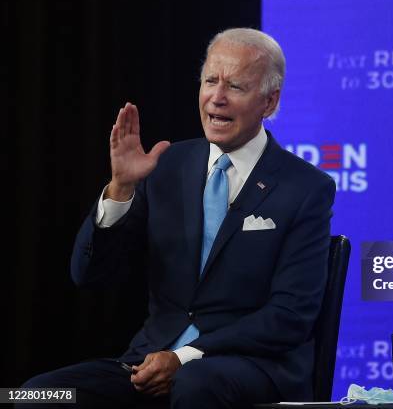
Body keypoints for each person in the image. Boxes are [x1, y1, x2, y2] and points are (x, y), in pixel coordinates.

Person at [21, 28, 336, 409]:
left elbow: (290, 316)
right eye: (210, 81)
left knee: (194, 385)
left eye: (235, 86)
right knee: (37, 395)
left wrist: (185, 356)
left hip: (249, 367)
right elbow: (88, 275)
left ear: (269, 102)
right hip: (149, 360)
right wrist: (120, 188)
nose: (216, 98)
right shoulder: (167, 166)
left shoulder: (305, 188)